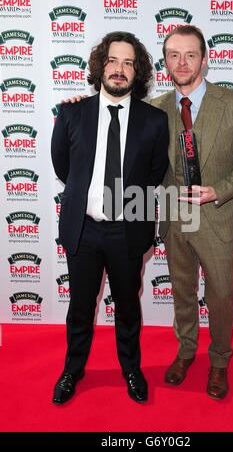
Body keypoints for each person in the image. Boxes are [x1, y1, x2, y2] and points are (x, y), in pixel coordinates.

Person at [51, 31, 169, 405]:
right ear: (101, 65)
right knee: (80, 308)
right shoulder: (71, 112)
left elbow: (154, 174)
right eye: (113, 60)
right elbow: (63, 166)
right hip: (83, 231)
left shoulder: (154, 121)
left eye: (128, 62)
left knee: (128, 308)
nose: (119, 69)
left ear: (139, 71)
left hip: (127, 231)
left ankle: (131, 370)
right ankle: (73, 369)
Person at [151, 25, 233, 399]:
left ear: (205, 59)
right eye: (174, 55)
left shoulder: (232, 103)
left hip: (216, 216)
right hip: (175, 218)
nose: (182, 62)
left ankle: (219, 360)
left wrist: (221, 190)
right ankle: (185, 351)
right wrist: (77, 106)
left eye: (190, 54)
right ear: (164, 61)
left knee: (219, 296)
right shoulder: (156, 108)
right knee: (182, 292)